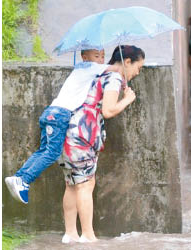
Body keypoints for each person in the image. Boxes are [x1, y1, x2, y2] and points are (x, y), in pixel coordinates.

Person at [4, 49, 116, 204]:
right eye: (97, 56)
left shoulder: (80, 69)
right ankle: (25, 180)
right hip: (60, 115)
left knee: (43, 150)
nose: (101, 60)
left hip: (51, 112)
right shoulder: (90, 67)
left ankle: (19, 177)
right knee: (52, 152)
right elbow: (115, 69)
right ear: (85, 57)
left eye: (103, 56)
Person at [60, 45, 145, 243]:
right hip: (83, 136)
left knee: (72, 184)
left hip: (67, 131)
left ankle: (70, 233)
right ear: (127, 61)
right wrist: (127, 100)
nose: (137, 72)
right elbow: (108, 110)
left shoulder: (95, 72)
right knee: (85, 185)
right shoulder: (114, 78)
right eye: (138, 67)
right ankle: (87, 235)